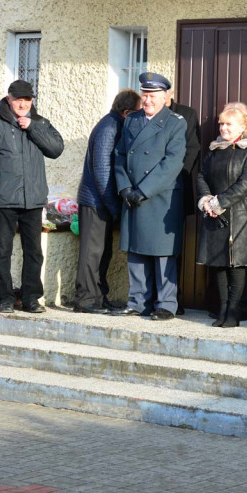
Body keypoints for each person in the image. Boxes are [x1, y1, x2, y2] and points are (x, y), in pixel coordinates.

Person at [0, 80, 65, 313]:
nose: (22, 103)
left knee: (34, 252)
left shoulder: (39, 122)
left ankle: (31, 298)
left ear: (32, 100)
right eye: (18, 99)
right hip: (2, 200)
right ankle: (6, 298)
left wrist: (32, 127)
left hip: (33, 200)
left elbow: (56, 149)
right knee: (2, 251)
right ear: (8, 98)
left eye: (27, 99)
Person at [112, 72, 188, 320]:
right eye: (145, 95)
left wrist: (143, 191)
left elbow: (172, 163)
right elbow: (120, 155)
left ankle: (166, 304)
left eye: (153, 95)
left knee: (162, 253)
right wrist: (124, 187)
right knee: (136, 250)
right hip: (132, 194)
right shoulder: (132, 120)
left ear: (165, 97)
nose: (147, 100)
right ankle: (137, 301)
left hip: (159, 197)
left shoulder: (176, 122)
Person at [73, 89, 141, 314]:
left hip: (100, 201)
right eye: (137, 112)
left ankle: (99, 298)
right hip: (95, 202)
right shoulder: (109, 128)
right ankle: (85, 301)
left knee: (103, 253)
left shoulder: (113, 125)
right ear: (126, 112)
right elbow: (103, 172)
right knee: (91, 254)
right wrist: (114, 207)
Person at [197, 103, 247, 327]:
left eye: (228, 124)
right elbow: (201, 176)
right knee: (219, 263)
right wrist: (206, 200)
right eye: (221, 124)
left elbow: (245, 185)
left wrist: (219, 203)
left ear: (243, 127)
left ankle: (234, 311)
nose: (223, 128)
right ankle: (222, 309)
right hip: (215, 215)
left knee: (236, 264)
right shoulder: (215, 151)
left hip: (240, 216)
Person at [167, 88, 200, 315]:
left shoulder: (186, 114)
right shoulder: (144, 116)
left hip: (176, 188)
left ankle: (173, 298)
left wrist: (175, 177)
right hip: (149, 191)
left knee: (173, 246)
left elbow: (192, 149)